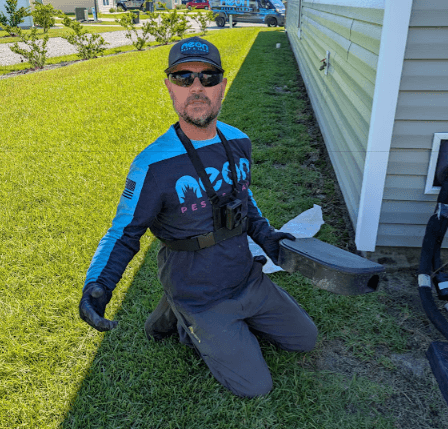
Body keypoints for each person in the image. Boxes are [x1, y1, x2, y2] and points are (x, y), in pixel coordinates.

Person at [79, 36, 318, 398]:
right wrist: (98, 285)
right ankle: (183, 314)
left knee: (305, 339)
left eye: (208, 77)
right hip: (199, 292)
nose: (196, 87)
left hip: (246, 277)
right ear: (170, 88)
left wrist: (268, 236)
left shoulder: (239, 141)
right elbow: (123, 233)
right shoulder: (152, 165)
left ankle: (192, 316)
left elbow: (243, 198)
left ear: (222, 85)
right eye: (183, 77)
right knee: (256, 387)